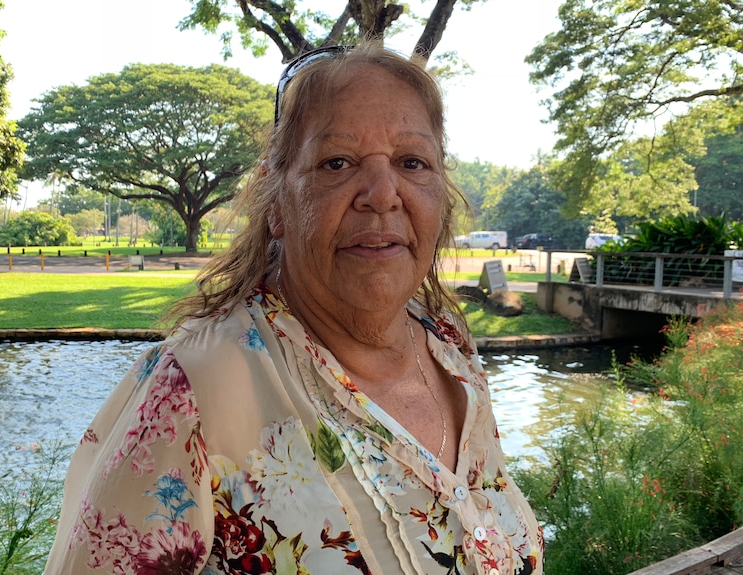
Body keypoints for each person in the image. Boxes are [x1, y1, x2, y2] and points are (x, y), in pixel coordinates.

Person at [44, 43, 544, 575]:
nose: (382, 193)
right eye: (338, 162)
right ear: (277, 203)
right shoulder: (194, 388)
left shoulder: (450, 346)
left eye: (412, 162)